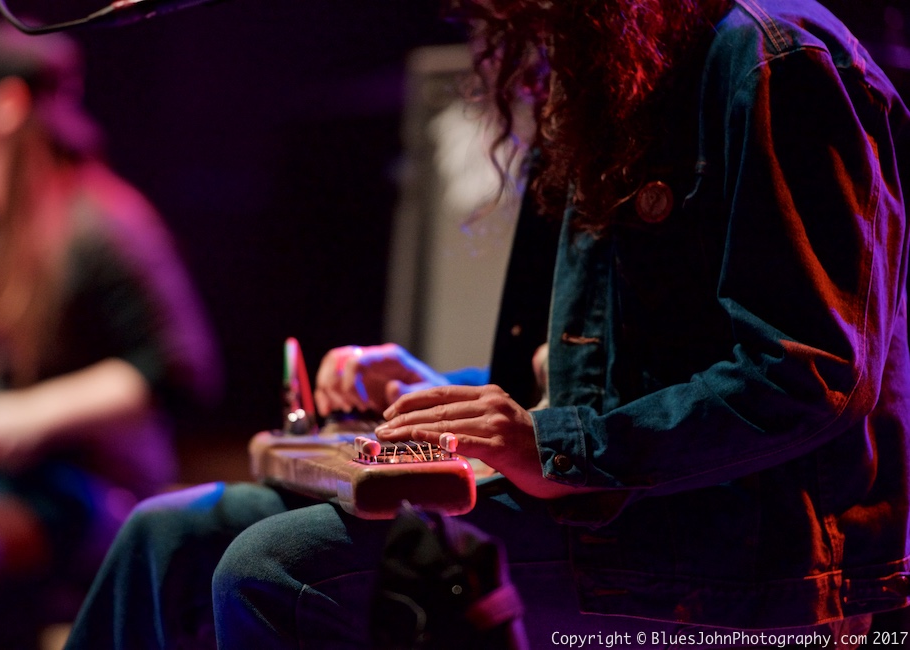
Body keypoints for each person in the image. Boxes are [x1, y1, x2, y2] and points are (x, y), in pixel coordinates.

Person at [65, 0, 910, 647]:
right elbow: (605, 385)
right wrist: (446, 398)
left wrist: (551, 447)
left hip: (748, 560)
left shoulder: (774, 56)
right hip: (623, 517)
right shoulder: (618, 63)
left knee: (278, 567)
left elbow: (810, 372)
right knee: (164, 534)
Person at [0, 21, 219, 648]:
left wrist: (30, 413)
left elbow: (181, 370)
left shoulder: (104, 223)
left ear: (6, 105)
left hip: (83, 493)